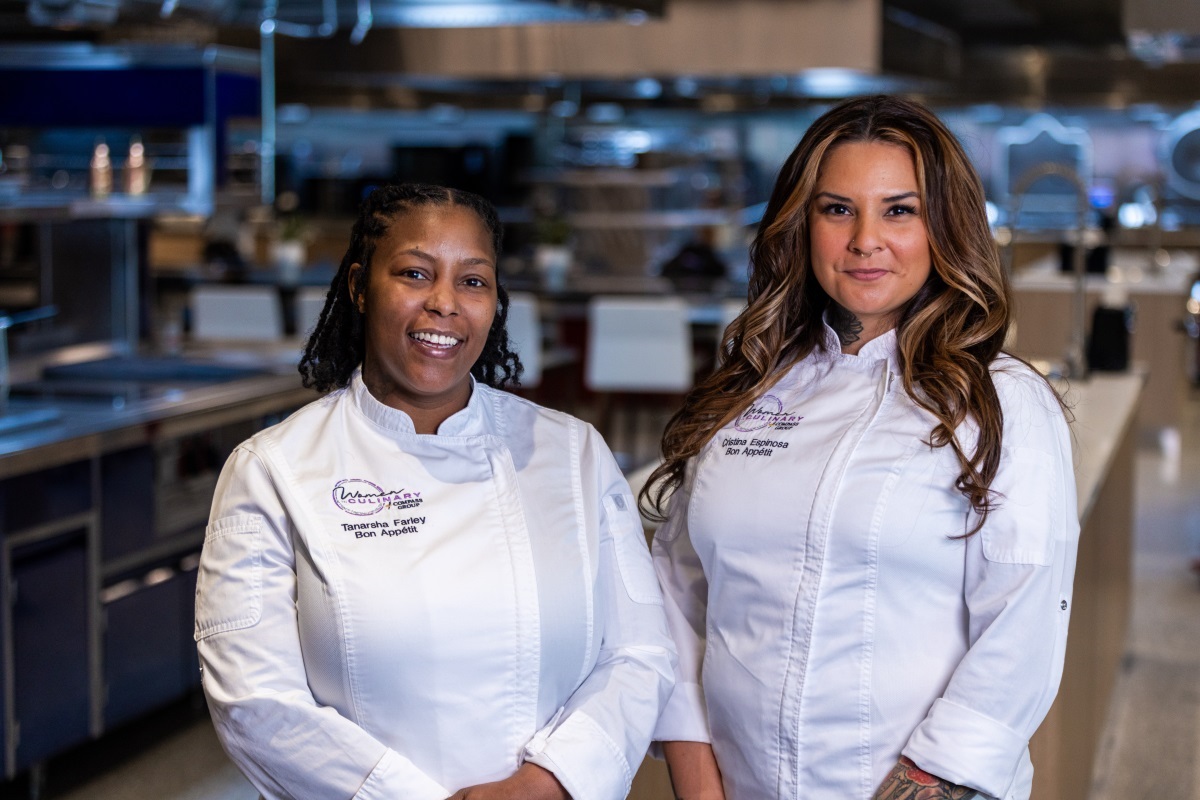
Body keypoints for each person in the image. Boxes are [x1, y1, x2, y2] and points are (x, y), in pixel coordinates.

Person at [643, 95, 1079, 800]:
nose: (865, 240)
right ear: (801, 223)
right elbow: (676, 594)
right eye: (837, 209)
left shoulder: (1002, 405)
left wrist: (921, 784)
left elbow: (1020, 632)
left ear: (944, 224)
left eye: (899, 210)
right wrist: (699, 785)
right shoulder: (750, 390)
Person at [195, 183, 675, 800]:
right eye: (416, 274)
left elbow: (639, 653)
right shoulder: (272, 470)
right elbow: (254, 700)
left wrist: (551, 781)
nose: (445, 303)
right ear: (360, 286)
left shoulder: (574, 453)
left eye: (472, 281)